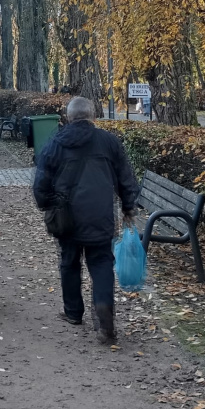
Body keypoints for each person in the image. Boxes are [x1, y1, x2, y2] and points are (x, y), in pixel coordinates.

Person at [32, 96, 140, 344]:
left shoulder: (56, 143)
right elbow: (126, 177)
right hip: (100, 214)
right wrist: (128, 207)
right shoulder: (109, 142)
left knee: (69, 262)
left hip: (67, 216)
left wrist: (47, 204)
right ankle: (104, 314)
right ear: (92, 116)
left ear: (68, 117)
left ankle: (73, 312)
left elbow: (41, 183)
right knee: (101, 263)